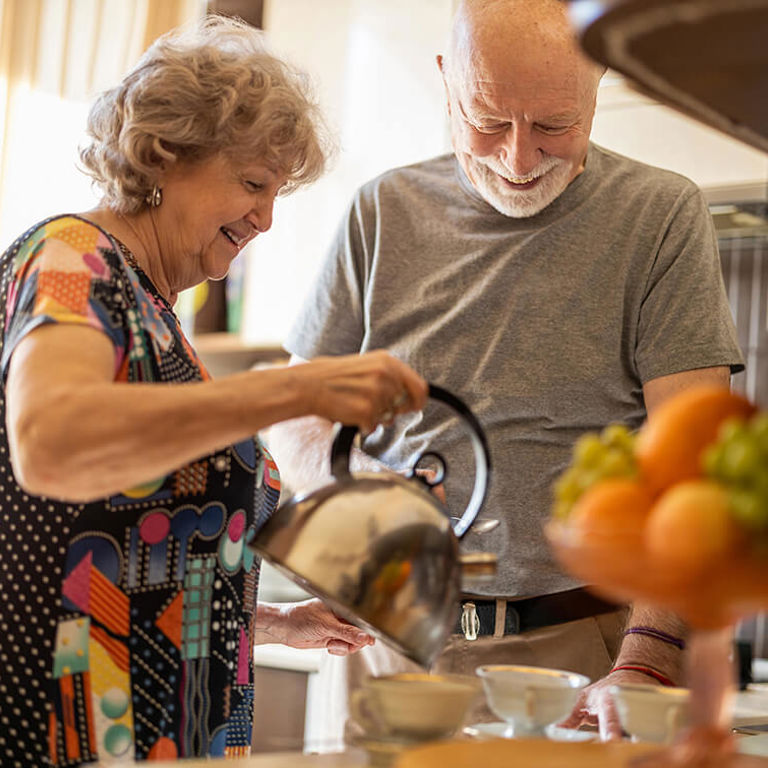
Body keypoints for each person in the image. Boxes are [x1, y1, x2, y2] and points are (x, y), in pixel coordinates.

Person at [266, 0, 745, 744]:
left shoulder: (660, 216)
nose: (518, 159)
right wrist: (370, 506)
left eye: (553, 124)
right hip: (393, 647)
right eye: (488, 120)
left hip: (590, 654)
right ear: (445, 81)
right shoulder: (381, 212)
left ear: (598, 82)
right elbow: (295, 415)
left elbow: (694, 457)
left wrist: (646, 658)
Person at [0, 16, 428, 766]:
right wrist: (292, 390)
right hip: (76, 734)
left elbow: (119, 554)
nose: (266, 217)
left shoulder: (149, 308)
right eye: (254, 183)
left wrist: (264, 620)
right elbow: (52, 441)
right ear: (165, 155)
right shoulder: (73, 258)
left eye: (278, 192)